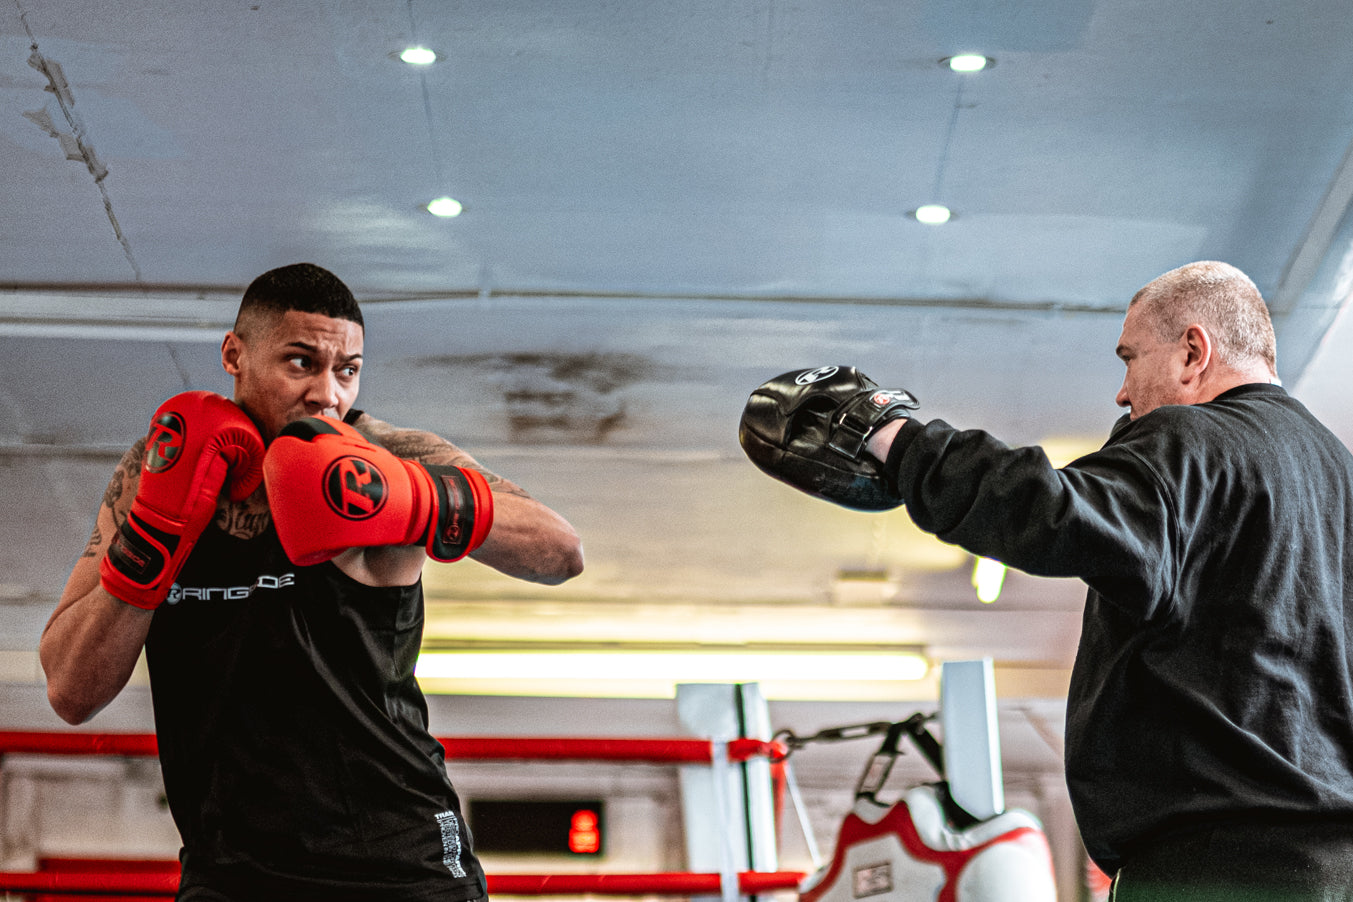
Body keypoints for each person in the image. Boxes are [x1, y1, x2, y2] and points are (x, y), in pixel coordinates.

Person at [742, 261, 1353, 900]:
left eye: (1130, 359)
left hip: (1221, 866)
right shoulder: (1336, 472)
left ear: (1192, 352)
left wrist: (893, 440)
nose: (1123, 393)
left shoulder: (1195, 440)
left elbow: (1057, 514)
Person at [39, 262, 585, 902]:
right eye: (301, 363)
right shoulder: (151, 472)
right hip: (230, 871)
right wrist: (153, 539)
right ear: (234, 355)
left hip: (401, 861)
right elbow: (71, 692)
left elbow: (561, 551)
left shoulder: (383, 456)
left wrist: (412, 498)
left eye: (347, 370)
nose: (328, 394)